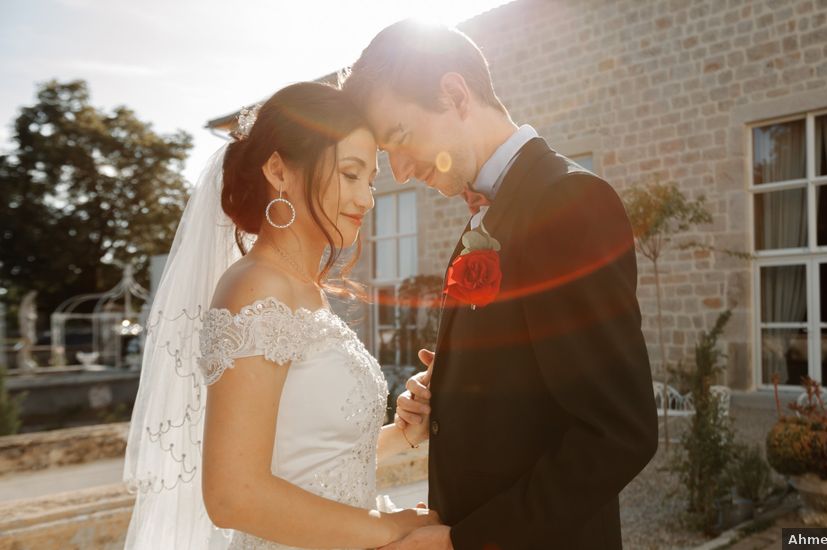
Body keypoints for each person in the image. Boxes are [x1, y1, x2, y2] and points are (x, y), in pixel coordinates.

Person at [343, 20, 659, 550]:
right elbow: (540, 375)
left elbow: (619, 432)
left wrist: (463, 543)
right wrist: (451, 392)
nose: (396, 171)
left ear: (454, 94)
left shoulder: (568, 202)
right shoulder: (488, 213)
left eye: (398, 137)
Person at [123, 81, 438, 550]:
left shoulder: (304, 290)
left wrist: (402, 435)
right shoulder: (257, 287)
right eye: (350, 175)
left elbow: (308, 460)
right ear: (278, 170)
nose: (367, 199)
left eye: (370, 181)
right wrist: (391, 529)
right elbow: (234, 496)